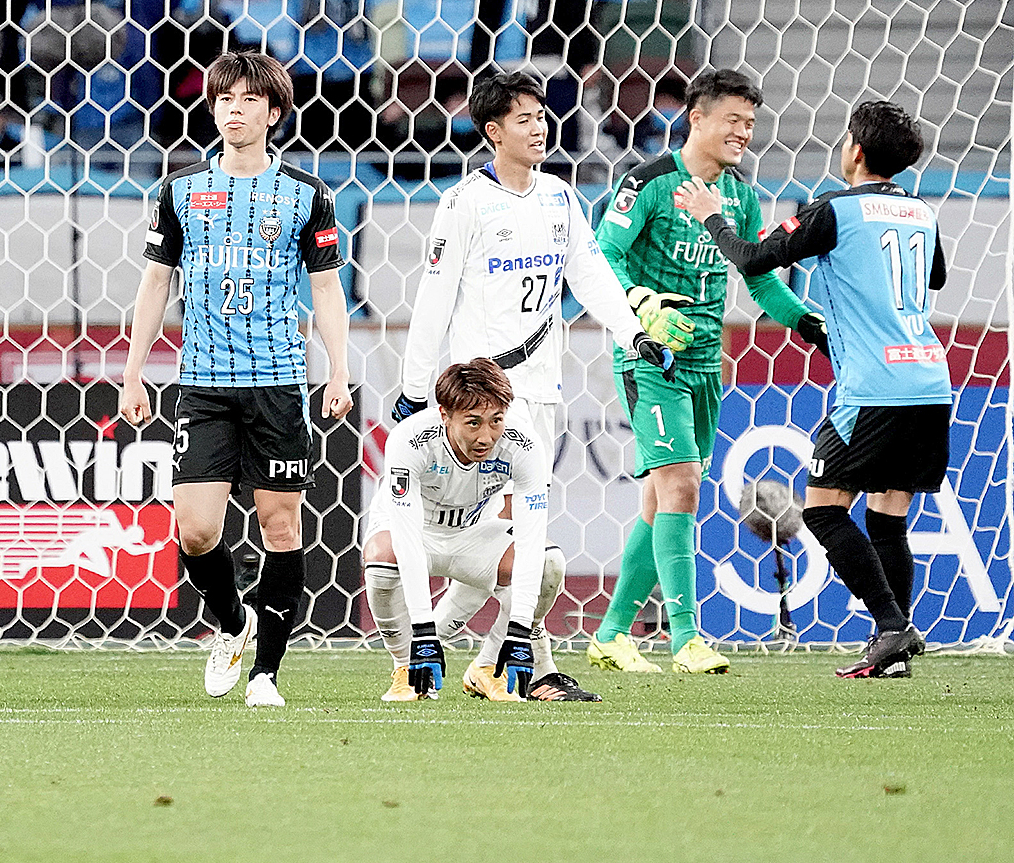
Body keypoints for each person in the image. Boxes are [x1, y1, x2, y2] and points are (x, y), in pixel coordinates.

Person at [390, 70, 672, 688]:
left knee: (525, 544)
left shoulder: (560, 197)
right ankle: (517, 664)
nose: (540, 126)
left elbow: (591, 276)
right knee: (513, 544)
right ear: (493, 132)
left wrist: (634, 334)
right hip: (481, 400)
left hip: (543, 390)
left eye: (542, 115)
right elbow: (433, 299)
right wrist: (415, 391)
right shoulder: (465, 203)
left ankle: (471, 658)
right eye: (524, 119)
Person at [673, 100, 947, 679]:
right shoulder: (921, 212)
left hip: (874, 387)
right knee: (889, 515)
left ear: (857, 151)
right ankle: (891, 649)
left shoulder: (834, 210)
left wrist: (710, 214)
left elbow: (751, 258)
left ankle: (893, 627)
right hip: (929, 377)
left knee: (822, 509)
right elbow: (936, 278)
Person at [119, 50, 353, 708]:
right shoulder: (180, 189)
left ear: (274, 112)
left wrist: (338, 369)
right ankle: (231, 622)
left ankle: (267, 675)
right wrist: (133, 374)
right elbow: (156, 282)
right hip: (203, 384)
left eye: (250, 99)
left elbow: (327, 287)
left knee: (281, 528)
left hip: (278, 384)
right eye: (225, 99)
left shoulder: (307, 193)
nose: (236, 109)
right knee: (194, 530)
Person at [587, 68, 822, 675]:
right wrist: (640, 305)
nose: (743, 132)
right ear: (697, 118)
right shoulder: (647, 183)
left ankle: (612, 633)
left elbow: (760, 276)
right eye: (732, 120)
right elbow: (603, 254)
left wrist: (804, 323)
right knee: (684, 486)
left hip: (704, 363)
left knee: (658, 499)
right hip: (649, 356)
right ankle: (686, 638)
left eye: (750, 122)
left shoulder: (740, 196)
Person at [366, 358, 600, 703]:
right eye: (473, 422)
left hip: (475, 535)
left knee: (549, 562)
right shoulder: (409, 441)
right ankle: (405, 669)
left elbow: (531, 538)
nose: (486, 436)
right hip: (415, 534)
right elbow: (407, 539)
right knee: (382, 558)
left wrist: (520, 630)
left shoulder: (524, 445)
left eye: (496, 421)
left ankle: (488, 666)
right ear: (445, 414)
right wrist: (423, 632)